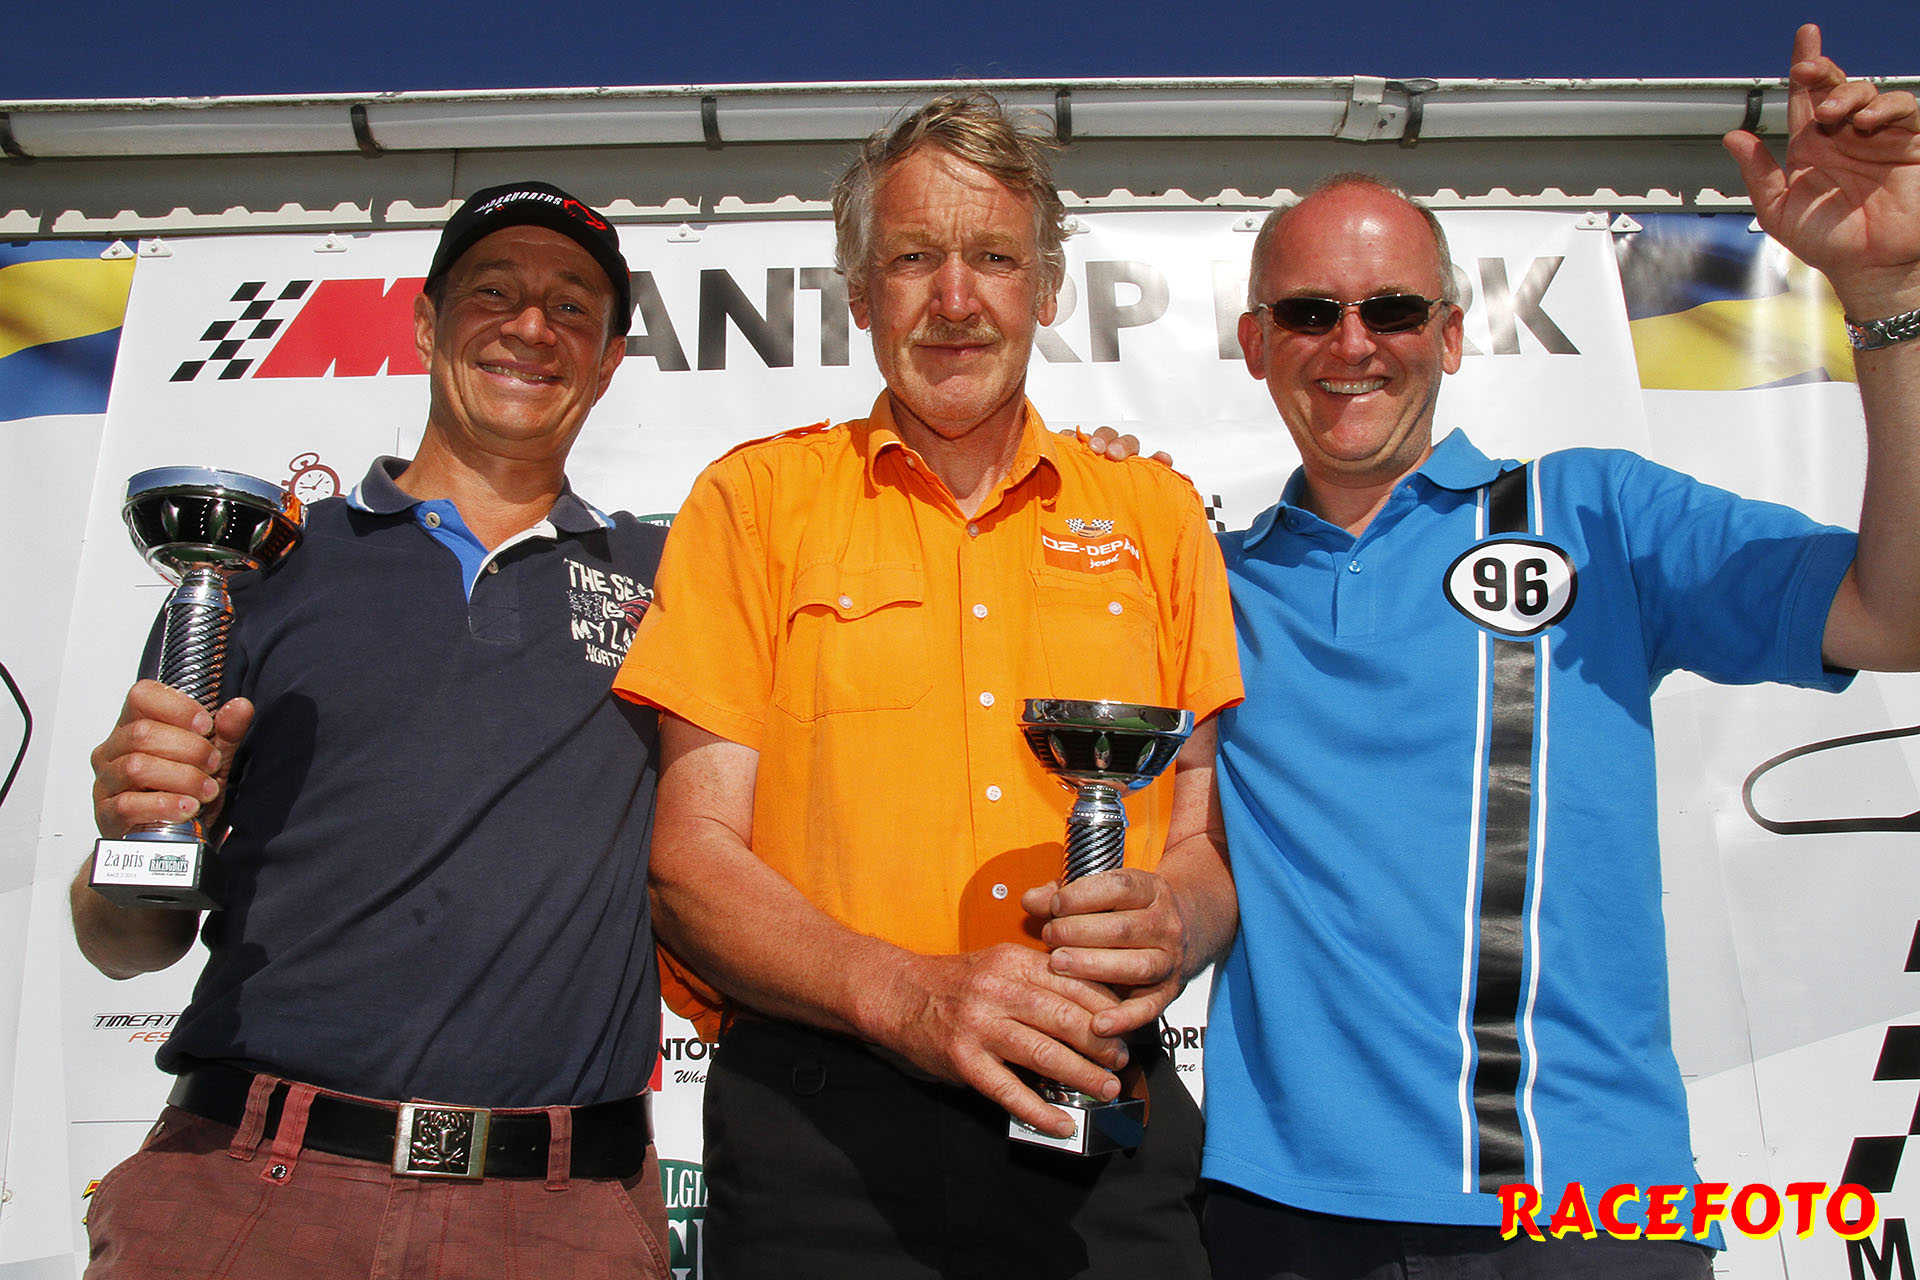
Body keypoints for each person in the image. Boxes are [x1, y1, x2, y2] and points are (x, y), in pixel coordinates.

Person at [1202, 25, 1920, 1280]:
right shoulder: (1203, 576)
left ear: (1452, 332)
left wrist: (1884, 299)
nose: (1352, 343)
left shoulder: (1595, 511)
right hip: (1288, 1212)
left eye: (1392, 309)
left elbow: (1896, 616)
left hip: (1591, 1208)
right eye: (1310, 312)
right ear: (1257, 342)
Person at [613, 95, 1243, 1278]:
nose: (956, 298)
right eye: (913, 259)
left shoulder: (1157, 514)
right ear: (860, 295)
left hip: (1105, 1115)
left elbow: (1205, 840)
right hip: (819, 1136)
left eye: (995, 257)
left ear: (1047, 289)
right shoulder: (753, 504)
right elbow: (690, 860)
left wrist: (1175, 921)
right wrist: (906, 995)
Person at [73, 181, 672, 1279]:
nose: (531, 326)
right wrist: (131, 833)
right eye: (494, 291)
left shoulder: (671, 581)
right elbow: (124, 943)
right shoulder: (262, 568)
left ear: (608, 360)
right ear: (426, 324)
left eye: (571, 307)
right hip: (246, 1194)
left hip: (561, 1219)